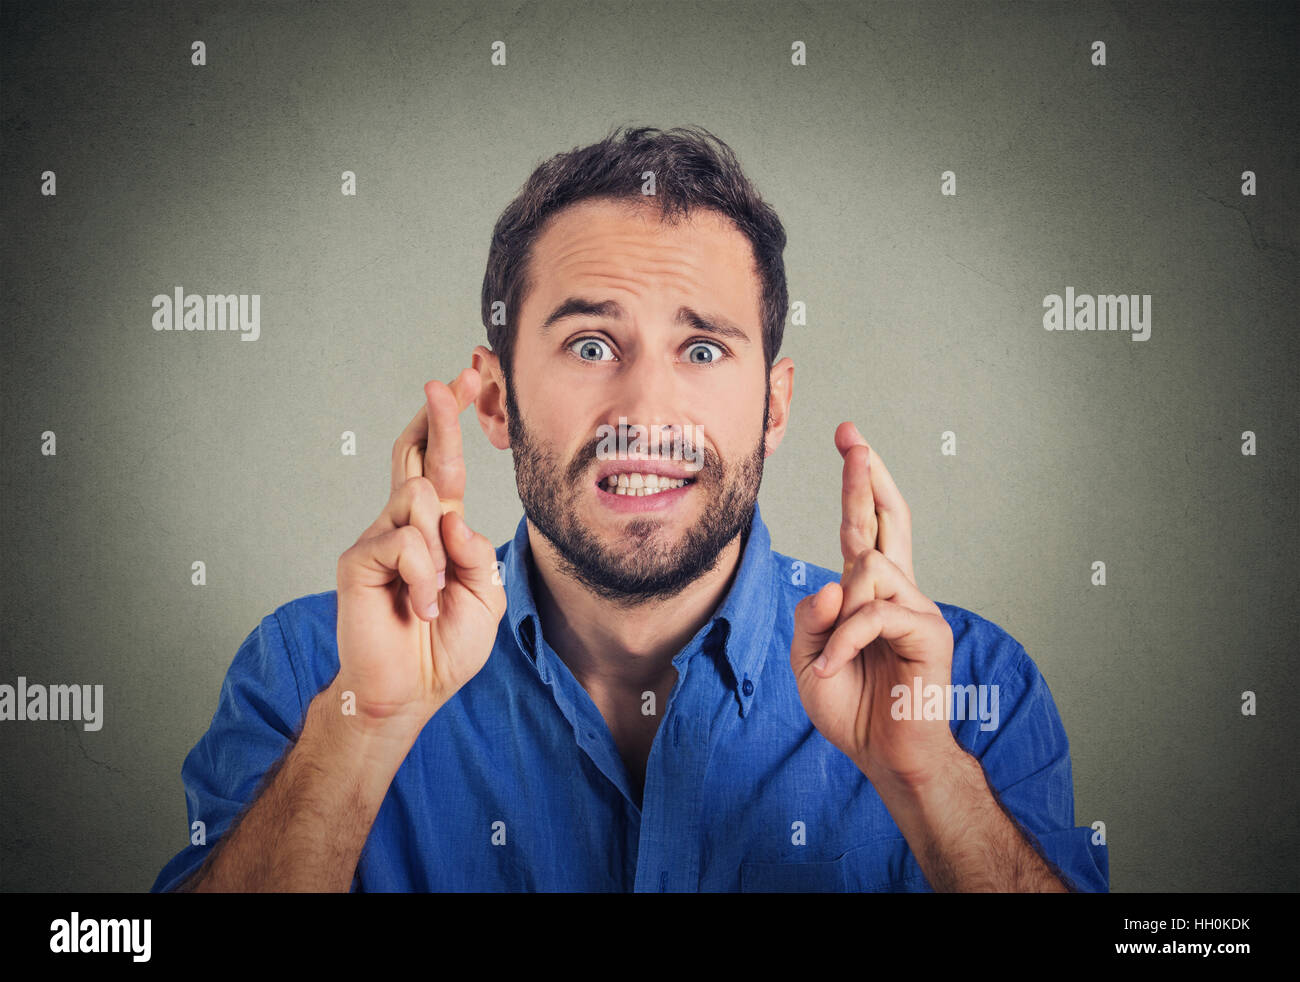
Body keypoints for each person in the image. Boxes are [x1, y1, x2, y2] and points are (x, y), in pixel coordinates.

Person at [152, 125, 1108, 892]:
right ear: (493, 400)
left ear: (772, 408)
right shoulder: (314, 674)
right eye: (590, 345)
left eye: (702, 351)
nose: (646, 414)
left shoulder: (969, 694)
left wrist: (927, 781)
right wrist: (361, 732)